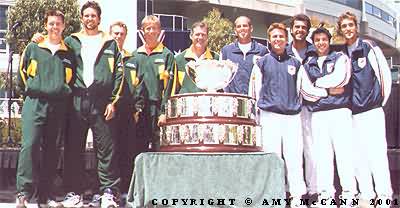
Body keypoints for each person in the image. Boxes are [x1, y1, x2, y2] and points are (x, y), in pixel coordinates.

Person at [46, 2, 122, 207]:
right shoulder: (71, 41)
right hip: (77, 99)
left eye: (93, 15)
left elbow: (119, 75)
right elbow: (53, 48)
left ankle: (107, 192)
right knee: (73, 147)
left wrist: (113, 101)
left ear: (99, 18)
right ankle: (74, 192)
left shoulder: (110, 43)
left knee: (105, 148)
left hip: (101, 100)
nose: (90, 19)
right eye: (86, 15)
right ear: (82, 18)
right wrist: (39, 39)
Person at [15, 9, 76, 208]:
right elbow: (21, 75)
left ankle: (45, 196)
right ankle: (23, 194)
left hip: (58, 106)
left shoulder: (68, 52)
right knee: (29, 145)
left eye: (58, 23)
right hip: (35, 103)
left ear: (63, 26)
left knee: (52, 150)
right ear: (45, 25)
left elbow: (72, 79)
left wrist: (61, 90)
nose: (54, 27)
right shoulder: (34, 47)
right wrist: (34, 89)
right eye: (51, 23)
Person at [338, 12, 393, 207]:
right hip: (352, 113)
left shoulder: (369, 46)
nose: (348, 29)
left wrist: (379, 104)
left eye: (350, 25)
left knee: (377, 154)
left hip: (372, 111)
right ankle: (366, 193)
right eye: (344, 26)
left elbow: (384, 76)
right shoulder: (341, 53)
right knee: (358, 155)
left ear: (356, 27)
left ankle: (384, 194)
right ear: (341, 29)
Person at [250, 23, 306, 208]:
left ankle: (297, 197)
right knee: (272, 157)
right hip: (269, 115)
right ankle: (274, 195)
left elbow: (300, 90)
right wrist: (256, 117)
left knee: (294, 157)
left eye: (281, 36)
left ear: (286, 39)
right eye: (274, 37)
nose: (278, 40)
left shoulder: (296, 63)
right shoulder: (261, 62)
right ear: (269, 40)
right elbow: (254, 92)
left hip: (292, 117)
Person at [300, 26, 356, 207]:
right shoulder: (308, 63)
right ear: (313, 42)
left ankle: (349, 195)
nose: (321, 43)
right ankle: (326, 196)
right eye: (317, 40)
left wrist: (317, 84)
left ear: (329, 40)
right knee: (322, 157)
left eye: (324, 39)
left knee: (344, 155)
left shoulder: (341, 58)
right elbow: (305, 90)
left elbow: (341, 79)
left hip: (340, 112)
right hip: (318, 114)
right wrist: (326, 90)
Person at [286, 14, 318, 196]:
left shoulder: (316, 52)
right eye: (296, 27)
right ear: (292, 29)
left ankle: (313, 189)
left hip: (311, 108)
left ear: (307, 30)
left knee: (311, 148)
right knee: (293, 150)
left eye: (303, 27)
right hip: (290, 109)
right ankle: (293, 189)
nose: (300, 30)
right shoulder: (283, 51)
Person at [133, 15, 175, 151]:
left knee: (160, 147)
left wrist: (164, 112)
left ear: (159, 31)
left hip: (157, 109)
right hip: (140, 110)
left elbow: (169, 87)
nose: (151, 31)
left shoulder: (166, 54)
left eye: (154, 28)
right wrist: (134, 109)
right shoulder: (135, 55)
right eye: (148, 28)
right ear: (142, 31)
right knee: (138, 147)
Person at [221, 16, 268, 95]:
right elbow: (222, 78)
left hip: (254, 101)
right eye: (239, 26)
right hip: (233, 100)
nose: (242, 28)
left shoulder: (262, 50)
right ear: (235, 30)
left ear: (251, 28)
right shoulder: (226, 51)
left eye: (245, 26)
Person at [172, 21, 219, 94]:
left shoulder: (216, 58)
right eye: (197, 34)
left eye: (203, 35)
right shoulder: (179, 59)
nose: (200, 37)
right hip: (186, 104)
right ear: (191, 36)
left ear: (207, 37)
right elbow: (174, 89)